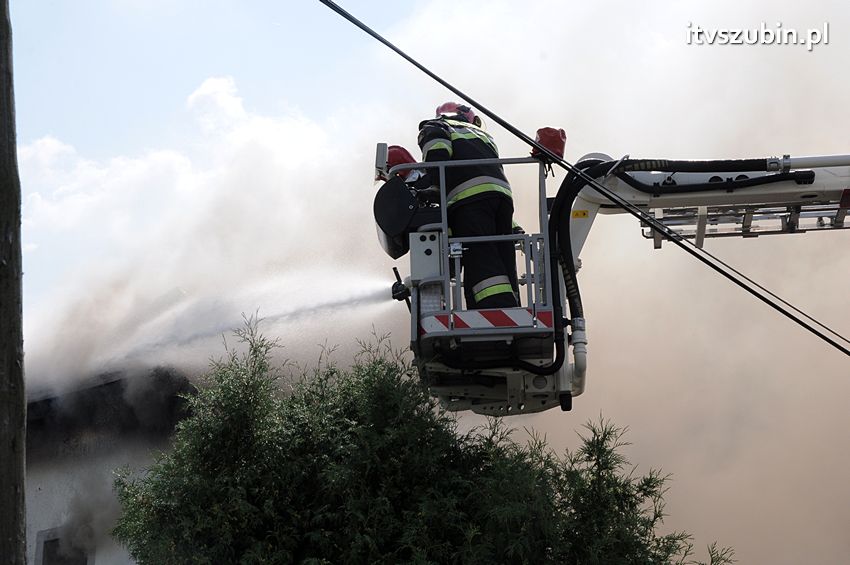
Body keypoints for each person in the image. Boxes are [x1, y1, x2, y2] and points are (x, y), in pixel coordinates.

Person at [417, 102, 518, 309]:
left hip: (469, 199)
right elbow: (486, 172)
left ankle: (492, 308)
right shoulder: (484, 136)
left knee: (480, 255)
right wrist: (513, 224)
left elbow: (437, 154)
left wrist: (434, 187)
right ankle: (512, 306)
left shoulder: (437, 126)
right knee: (503, 255)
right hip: (502, 198)